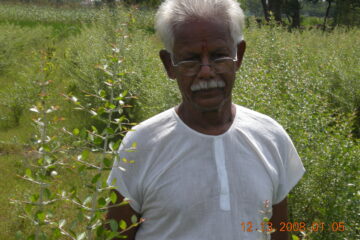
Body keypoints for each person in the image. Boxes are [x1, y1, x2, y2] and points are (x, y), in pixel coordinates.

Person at [106, 0, 305, 239]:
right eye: (190, 59)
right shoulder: (141, 144)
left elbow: (278, 232)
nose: (206, 71)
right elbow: (115, 234)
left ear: (238, 56)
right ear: (169, 65)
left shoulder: (271, 137)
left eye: (219, 55)